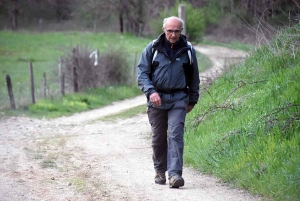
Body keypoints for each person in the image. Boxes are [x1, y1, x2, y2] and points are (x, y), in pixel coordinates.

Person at [137, 16, 200, 188]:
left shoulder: (188, 50)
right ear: (164, 30)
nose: (173, 34)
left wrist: (192, 100)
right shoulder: (152, 48)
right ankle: (159, 170)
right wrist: (151, 92)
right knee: (158, 138)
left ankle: (174, 175)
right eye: (170, 31)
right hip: (156, 100)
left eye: (176, 31)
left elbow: (194, 78)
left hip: (179, 98)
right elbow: (142, 74)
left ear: (181, 31)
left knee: (175, 135)